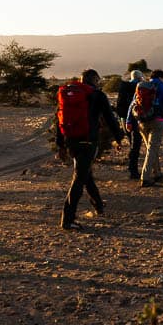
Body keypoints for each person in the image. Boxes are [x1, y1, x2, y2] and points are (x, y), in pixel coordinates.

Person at [56, 68, 124, 230]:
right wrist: (119, 137)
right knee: (79, 178)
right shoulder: (97, 95)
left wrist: (61, 144)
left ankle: (98, 205)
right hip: (88, 141)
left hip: (71, 140)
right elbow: (109, 118)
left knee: (85, 173)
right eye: (97, 80)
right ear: (94, 80)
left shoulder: (67, 93)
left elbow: (59, 118)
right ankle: (67, 219)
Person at [127, 68, 163, 187]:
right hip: (158, 121)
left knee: (151, 149)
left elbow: (133, 104)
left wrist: (129, 121)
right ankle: (145, 178)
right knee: (152, 149)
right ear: (161, 77)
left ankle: (157, 173)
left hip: (142, 121)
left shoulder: (141, 86)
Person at [114, 70, 145, 180]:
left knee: (131, 143)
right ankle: (133, 170)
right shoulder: (139, 86)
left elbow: (119, 104)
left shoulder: (123, 86)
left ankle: (132, 168)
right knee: (135, 145)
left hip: (124, 119)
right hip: (135, 119)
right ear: (140, 77)